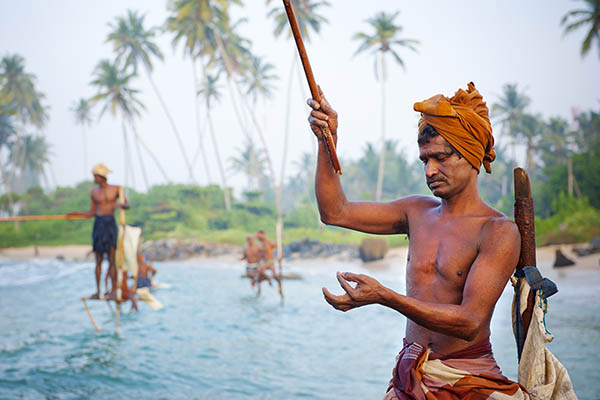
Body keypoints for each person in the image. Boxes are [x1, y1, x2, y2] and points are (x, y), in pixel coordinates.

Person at [308, 83, 529, 398]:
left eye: (440, 157)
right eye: (424, 160)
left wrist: (386, 296)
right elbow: (335, 212)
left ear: (470, 155)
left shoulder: (497, 231)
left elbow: (470, 321)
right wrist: (326, 139)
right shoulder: (416, 211)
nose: (430, 170)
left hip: (467, 378)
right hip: (409, 376)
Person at [68, 163, 129, 300]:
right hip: (99, 225)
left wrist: (119, 204)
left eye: (95, 176)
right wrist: (76, 214)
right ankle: (98, 291)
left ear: (102, 177)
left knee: (112, 260)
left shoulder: (116, 189)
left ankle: (113, 290)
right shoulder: (93, 192)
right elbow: (91, 213)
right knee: (98, 261)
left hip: (110, 224)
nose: (94, 179)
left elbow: (127, 205)